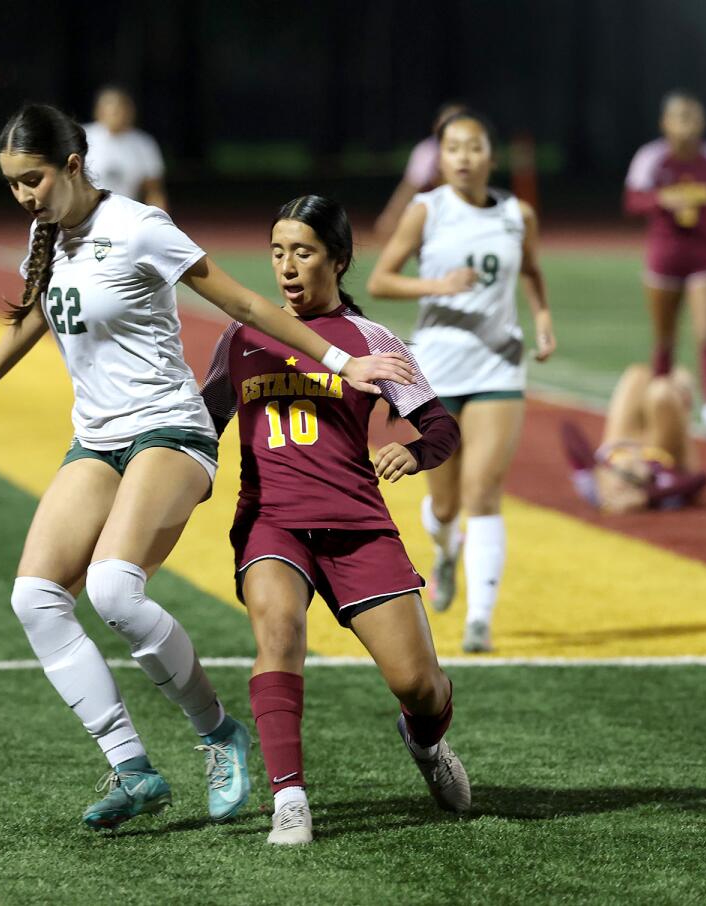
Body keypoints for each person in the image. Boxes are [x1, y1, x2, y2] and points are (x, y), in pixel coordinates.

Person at [0, 104, 411, 831]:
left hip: (170, 429)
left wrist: (342, 358)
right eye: (11, 185)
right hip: (96, 439)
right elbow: (43, 308)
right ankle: (132, 767)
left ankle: (219, 734)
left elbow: (245, 301)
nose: (24, 197)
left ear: (71, 166)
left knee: (113, 590)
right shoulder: (49, 234)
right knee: (33, 598)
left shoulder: (140, 226)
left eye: (32, 180)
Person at [201, 195, 468, 846]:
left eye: (304, 252)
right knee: (279, 629)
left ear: (339, 260)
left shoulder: (369, 340)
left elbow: (440, 427)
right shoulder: (241, 336)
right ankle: (288, 797)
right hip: (272, 521)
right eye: (277, 252)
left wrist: (410, 448)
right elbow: (201, 424)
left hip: (356, 524)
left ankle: (426, 743)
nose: (287, 267)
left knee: (419, 684)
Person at [366, 109, 556, 654]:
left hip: (498, 365)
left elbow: (533, 272)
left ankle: (480, 619)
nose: (464, 158)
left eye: (474, 148)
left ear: (491, 157)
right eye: (453, 149)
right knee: (445, 506)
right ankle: (445, 550)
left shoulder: (519, 213)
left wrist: (541, 319)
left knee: (483, 492)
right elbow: (380, 279)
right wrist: (438, 284)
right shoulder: (427, 211)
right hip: (437, 372)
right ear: (440, 157)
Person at [623, 91, 706, 438]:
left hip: (705, 257)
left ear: (703, 122)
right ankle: (659, 403)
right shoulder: (652, 157)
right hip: (664, 256)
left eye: (693, 117)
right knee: (665, 339)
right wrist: (661, 199)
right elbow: (632, 201)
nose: (687, 125)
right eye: (680, 117)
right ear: (665, 123)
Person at [561, 364, 706, 514]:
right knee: (661, 394)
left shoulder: (595, 488)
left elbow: (567, 429)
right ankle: (680, 390)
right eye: (631, 475)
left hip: (620, 441)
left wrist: (596, 469)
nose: (631, 465)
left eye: (624, 473)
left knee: (636, 375)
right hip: (660, 448)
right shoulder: (660, 481)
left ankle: (668, 363)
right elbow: (699, 480)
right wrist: (646, 496)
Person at [372, 102, 466, 243]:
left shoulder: (473, 150)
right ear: (436, 125)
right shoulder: (427, 151)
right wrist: (390, 216)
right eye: (447, 122)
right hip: (435, 218)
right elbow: (410, 186)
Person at [83, 86, 167, 209]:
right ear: (99, 111)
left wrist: (160, 218)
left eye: (122, 110)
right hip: (86, 214)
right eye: (113, 111)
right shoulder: (82, 137)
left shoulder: (143, 143)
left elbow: (153, 190)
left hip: (127, 213)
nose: (118, 115)